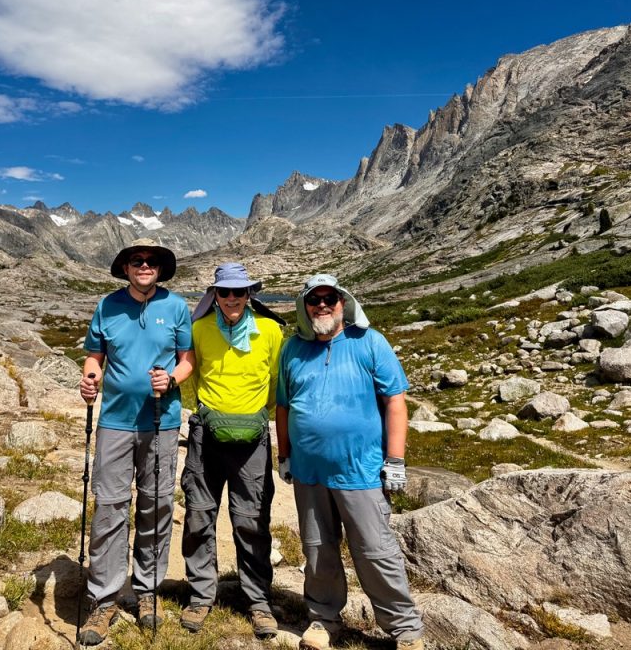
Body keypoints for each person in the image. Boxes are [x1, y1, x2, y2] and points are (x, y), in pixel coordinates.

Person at [275, 274, 424, 650]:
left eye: (330, 299)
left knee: (376, 550)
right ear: (304, 307)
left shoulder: (369, 342)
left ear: (344, 303)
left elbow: (395, 402)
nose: (322, 305)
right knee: (317, 549)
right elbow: (282, 406)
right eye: (314, 300)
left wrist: (396, 459)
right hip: (309, 473)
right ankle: (324, 619)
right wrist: (284, 455)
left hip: (362, 471)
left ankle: (404, 629)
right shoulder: (292, 348)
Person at [77, 238, 195, 645]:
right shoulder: (107, 306)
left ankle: (147, 591)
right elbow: (95, 355)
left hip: (162, 423)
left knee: (157, 504)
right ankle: (105, 597)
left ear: (160, 269)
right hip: (114, 422)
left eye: (151, 261)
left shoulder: (177, 307)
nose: (144, 266)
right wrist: (90, 378)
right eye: (136, 261)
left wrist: (174, 378)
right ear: (125, 268)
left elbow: (187, 359)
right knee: (109, 506)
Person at [179, 263, 285, 639]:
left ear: (250, 294)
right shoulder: (199, 329)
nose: (232, 299)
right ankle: (201, 596)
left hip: (252, 439)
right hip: (206, 436)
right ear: (216, 295)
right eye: (224, 293)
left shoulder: (271, 331)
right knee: (198, 515)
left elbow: (276, 382)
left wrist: (254, 415)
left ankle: (258, 602)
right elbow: (189, 373)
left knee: (252, 520)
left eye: (239, 292)